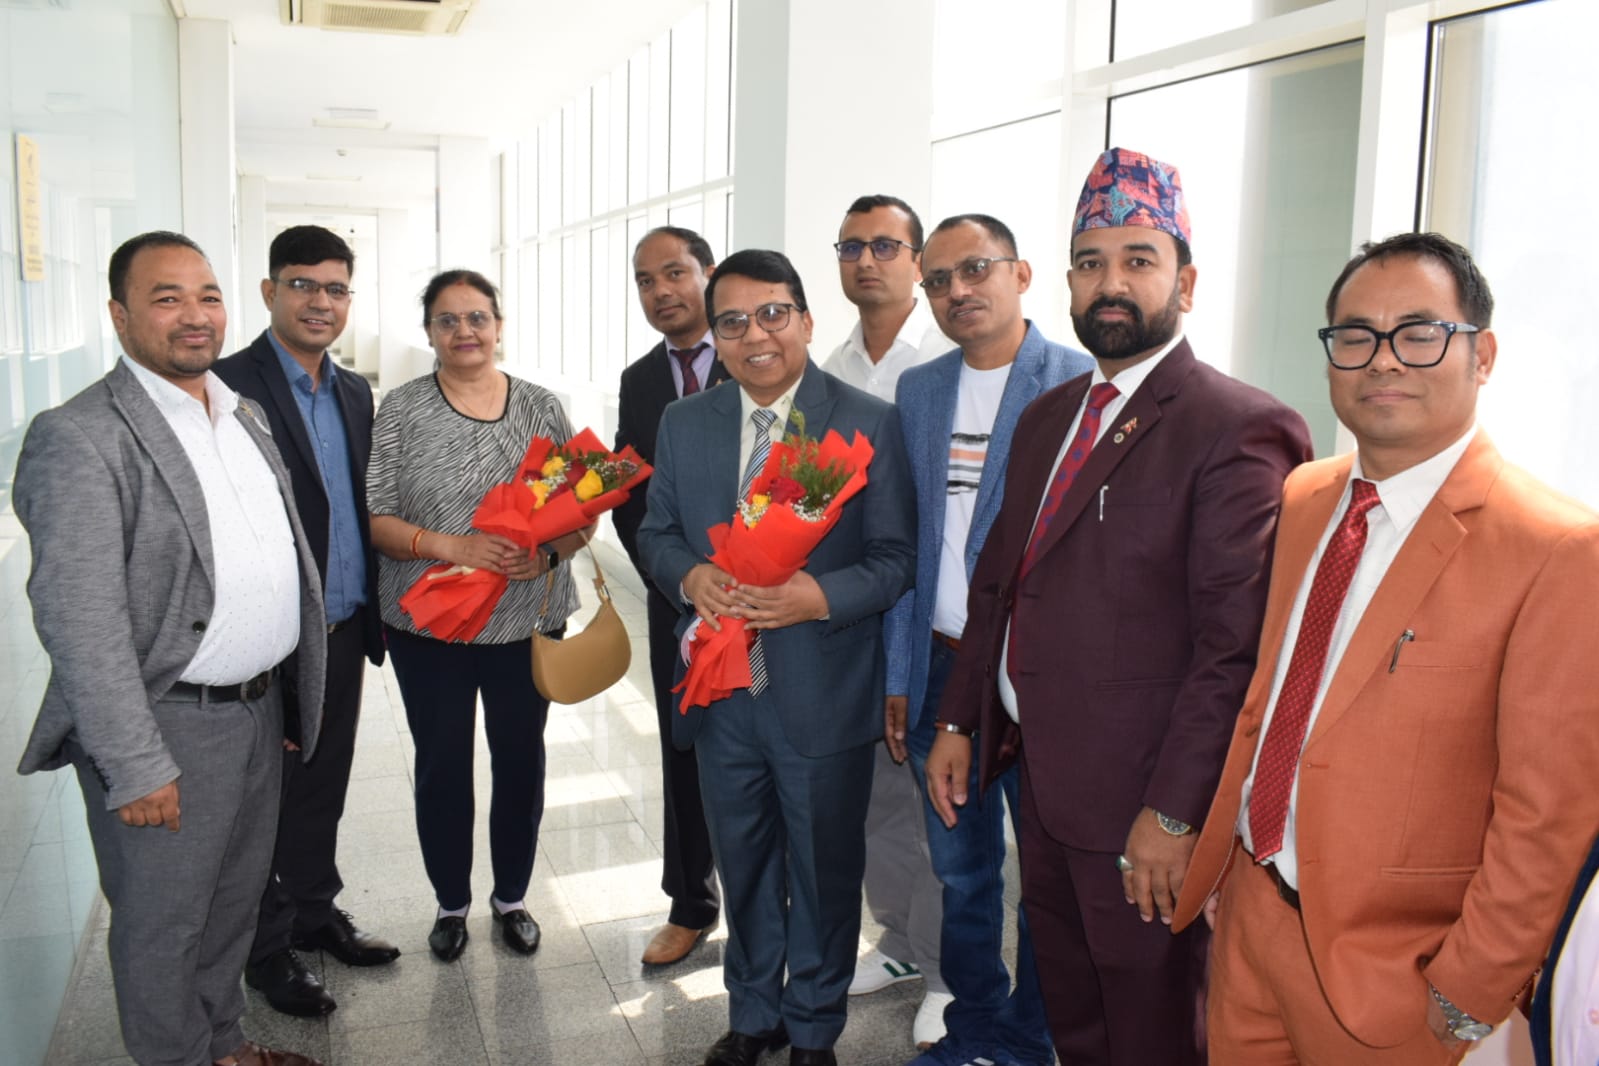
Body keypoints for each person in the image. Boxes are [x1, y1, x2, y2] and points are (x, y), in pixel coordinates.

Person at [925, 148, 1313, 1065]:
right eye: (1090, 262)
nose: (1111, 283)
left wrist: (1174, 815)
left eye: (1139, 260)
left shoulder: (1234, 425)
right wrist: (959, 719)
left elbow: (1233, 648)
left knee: (1151, 1028)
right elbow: (999, 583)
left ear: (1186, 282)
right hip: (1042, 785)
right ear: (1063, 281)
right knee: (1073, 1012)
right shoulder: (1048, 415)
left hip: (1140, 805)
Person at [1173, 232, 1599, 1063]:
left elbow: (1546, 811)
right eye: (1356, 335)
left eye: (1418, 332)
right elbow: (1276, 695)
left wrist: (1470, 986)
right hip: (1252, 915)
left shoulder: (1556, 548)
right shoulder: (1306, 494)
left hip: (1393, 976)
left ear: (1482, 356)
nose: (1382, 360)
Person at [13, 230, 327, 1066]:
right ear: (119, 316)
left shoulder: (242, 413)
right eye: (167, 298)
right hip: (166, 723)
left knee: (230, 908)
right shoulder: (81, 435)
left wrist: (281, 701)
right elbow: (78, 617)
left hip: (254, 713)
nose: (195, 315)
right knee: (164, 926)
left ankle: (221, 1045)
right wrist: (134, 761)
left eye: (208, 295)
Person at [638, 249, 916, 1066]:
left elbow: (895, 558)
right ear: (715, 337)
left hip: (821, 689)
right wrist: (689, 576)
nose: (755, 335)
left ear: (804, 319)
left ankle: (813, 1026)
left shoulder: (864, 422)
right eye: (732, 322)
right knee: (744, 864)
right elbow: (655, 533)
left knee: (825, 871)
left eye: (772, 314)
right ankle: (753, 1013)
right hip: (719, 694)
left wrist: (816, 596)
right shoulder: (685, 422)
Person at [894, 213, 1091, 1066]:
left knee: (1042, 879)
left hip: (1036, 682)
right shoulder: (920, 390)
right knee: (960, 870)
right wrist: (898, 673)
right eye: (936, 280)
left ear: (1020, 274)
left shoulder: (1079, 381)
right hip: (940, 668)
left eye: (974, 269)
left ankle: (1029, 1038)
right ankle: (974, 1023)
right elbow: (909, 543)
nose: (956, 291)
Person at [366, 269, 591, 963]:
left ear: (498, 325)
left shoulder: (541, 407)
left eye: (477, 318)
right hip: (429, 625)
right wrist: (452, 546)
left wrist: (547, 555)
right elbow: (376, 519)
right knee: (442, 764)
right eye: (447, 320)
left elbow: (583, 511)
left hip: (525, 620)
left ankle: (512, 898)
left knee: (521, 760)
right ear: (429, 331)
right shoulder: (401, 409)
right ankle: (451, 903)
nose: (464, 331)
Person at [214, 224, 398, 1019]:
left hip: (345, 627)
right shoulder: (226, 386)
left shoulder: (354, 391)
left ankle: (316, 913)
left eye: (335, 289)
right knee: (264, 802)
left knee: (323, 783)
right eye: (302, 285)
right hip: (272, 636)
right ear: (269, 291)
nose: (319, 302)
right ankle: (266, 950)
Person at [822, 194, 954, 1049]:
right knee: (874, 797)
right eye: (850, 247)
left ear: (915, 259)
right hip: (852, 613)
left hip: (931, 613)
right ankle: (900, 940)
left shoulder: (945, 357)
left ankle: (947, 971)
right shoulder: (829, 365)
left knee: (937, 800)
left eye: (883, 245)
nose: (865, 260)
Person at [614, 225, 730, 966]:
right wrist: (677, 578)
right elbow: (630, 495)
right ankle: (690, 903)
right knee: (682, 745)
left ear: (707, 272)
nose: (661, 291)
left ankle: (776, 903)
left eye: (674, 273)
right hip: (676, 602)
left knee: (767, 751)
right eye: (645, 281)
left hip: (764, 601)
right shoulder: (639, 380)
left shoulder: (756, 356)